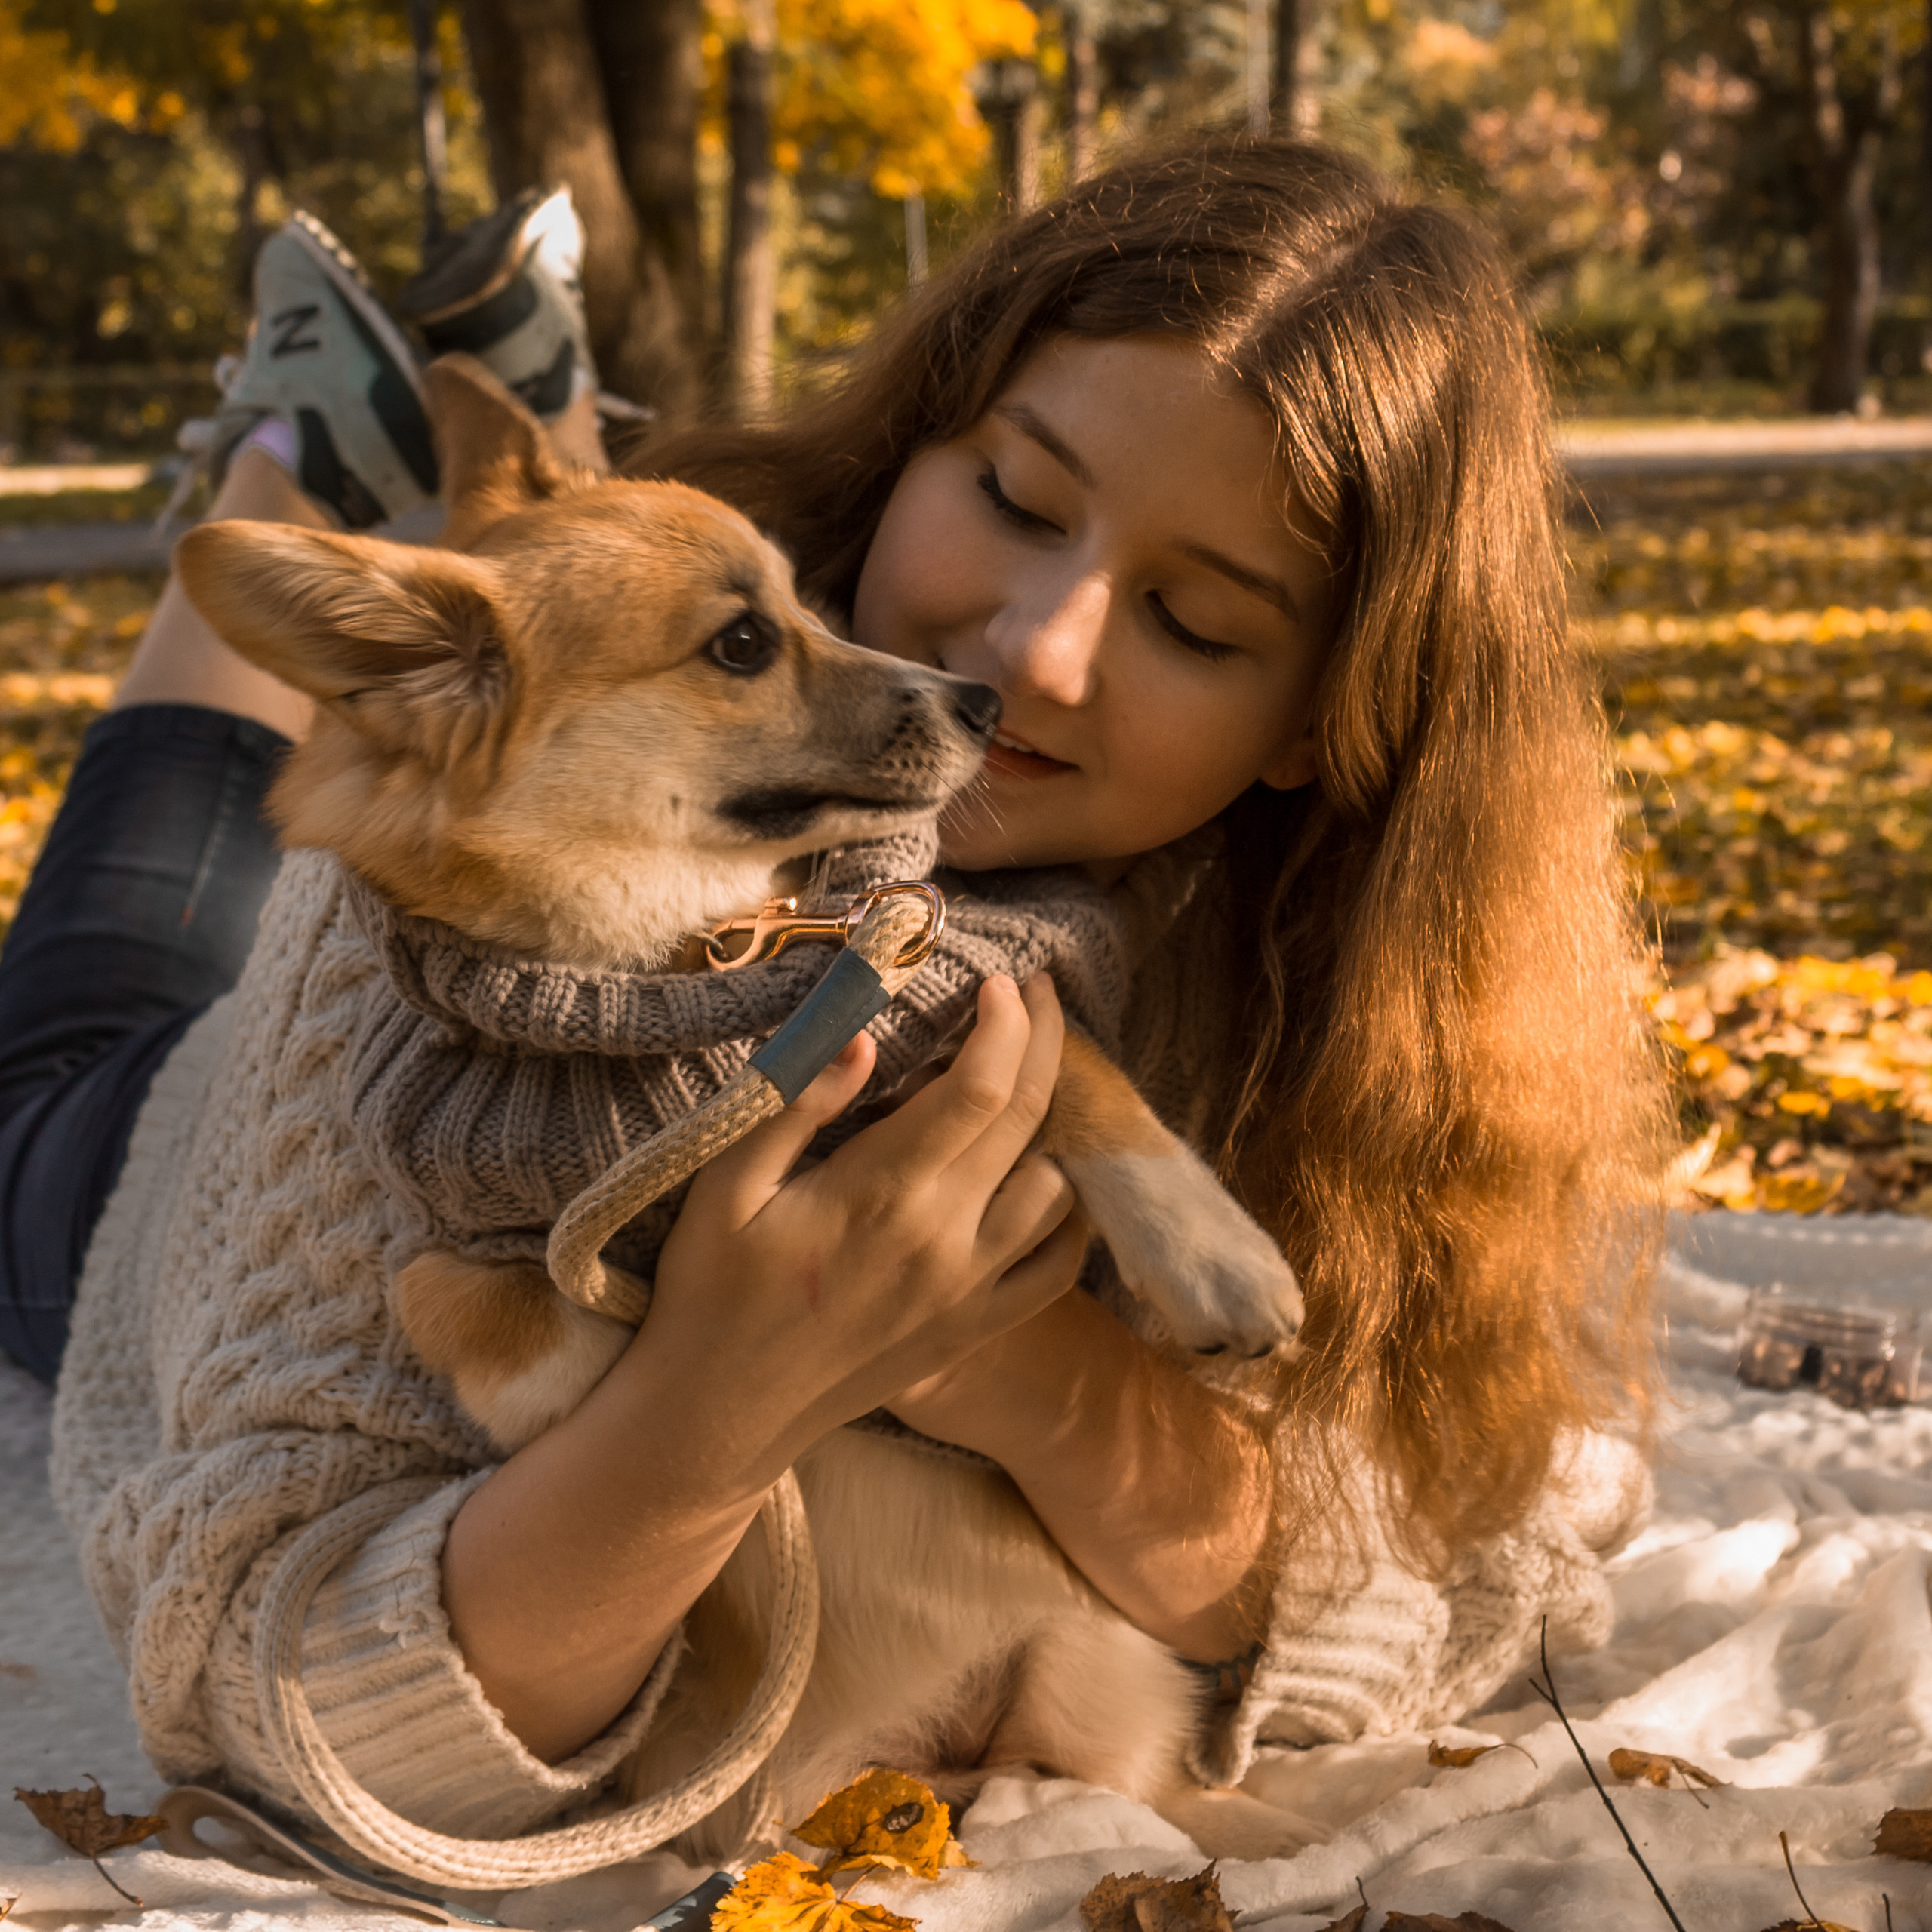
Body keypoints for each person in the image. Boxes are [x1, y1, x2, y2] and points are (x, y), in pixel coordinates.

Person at [29, 135, 1666, 1856]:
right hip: (117, 1167)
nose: (1029, 650)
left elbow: (1497, 1547)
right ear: (911, 445)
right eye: (1017, 502)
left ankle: (495, 461)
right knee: (90, 982)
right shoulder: (458, 886)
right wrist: (717, 1399)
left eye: (1190, 620)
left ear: (1324, 721)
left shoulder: (1357, 980)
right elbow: (247, 1667)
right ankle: (302, 461)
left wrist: (1012, 1367)